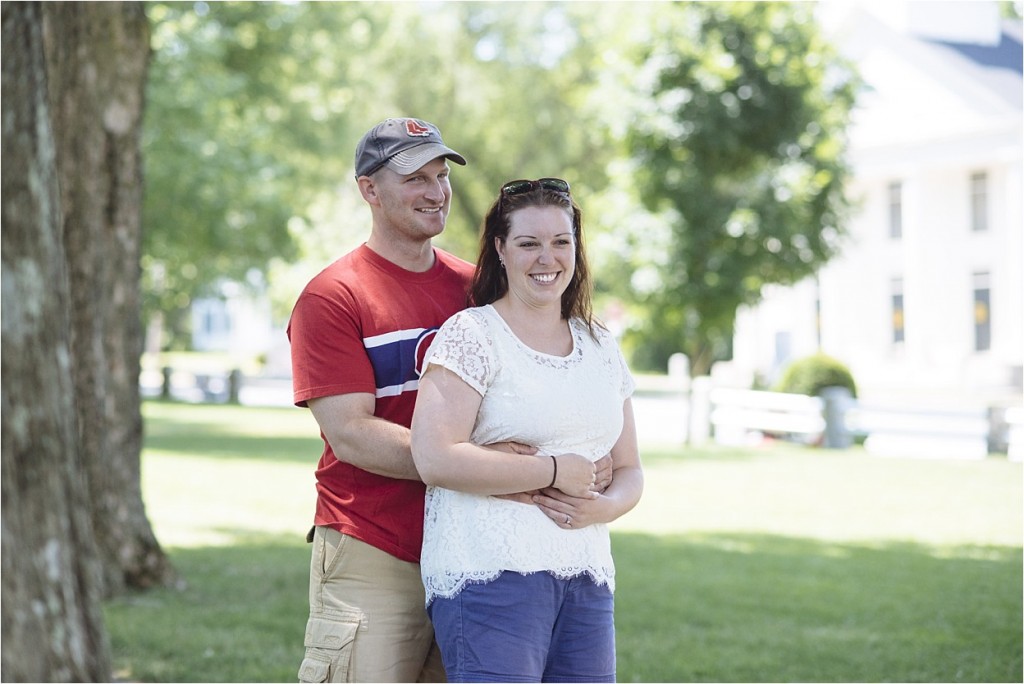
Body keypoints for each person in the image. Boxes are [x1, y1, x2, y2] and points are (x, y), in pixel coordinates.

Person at [410, 178, 645, 682]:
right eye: (528, 243)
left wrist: (603, 506)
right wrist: (554, 469)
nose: (547, 258)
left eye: (561, 242)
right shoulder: (472, 334)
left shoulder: (600, 345)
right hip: (489, 577)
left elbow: (629, 469)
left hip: (585, 578)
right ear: (500, 249)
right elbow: (434, 457)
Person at [287, 117, 473, 683]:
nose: (436, 191)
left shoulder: (478, 288)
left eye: (441, 176)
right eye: (416, 177)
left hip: (472, 545)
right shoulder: (333, 296)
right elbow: (353, 433)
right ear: (369, 189)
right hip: (373, 541)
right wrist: (488, 466)